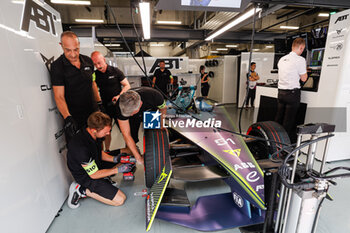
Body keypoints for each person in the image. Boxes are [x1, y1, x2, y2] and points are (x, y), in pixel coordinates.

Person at [66, 112, 134, 209]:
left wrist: (115, 159)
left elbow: (98, 152)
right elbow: (94, 174)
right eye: (106, 132)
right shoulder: (81, 148)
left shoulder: (93, 133)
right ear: (94, 130)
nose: (109, 133)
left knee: (126, 154)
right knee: (120, 200)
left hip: (95, 162)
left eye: (109, 130)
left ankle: (104, 179)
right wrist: (117, 170)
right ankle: (81, 190)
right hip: (87, 176)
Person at [51, 31, 102, 143]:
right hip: (74, 116)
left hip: (92, 113)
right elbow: (59, 96)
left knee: (97, 143)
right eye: (68, 50)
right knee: (80, 150)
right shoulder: (57, 67)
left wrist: (99, 103)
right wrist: (68, 118)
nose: (73, 54)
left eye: (76, 49)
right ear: (61, 46)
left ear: (79, 45)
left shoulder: (88, 61)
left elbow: (92, 83)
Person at [91, 51, 131, 151]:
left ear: (104, 60)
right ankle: (107, 150)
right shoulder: (95, 74)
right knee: (106, 130)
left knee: (125, 130)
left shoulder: (115, 71)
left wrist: (119, 96)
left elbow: (127, 85)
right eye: (95, 64)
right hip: (104, 107)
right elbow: (92, 87)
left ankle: (129, 150)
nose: (98, 66)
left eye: (99, 63)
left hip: (118, 105)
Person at [116, 87, 167, 165]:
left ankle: (154, 158)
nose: (130, 114)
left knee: (153, 135)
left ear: (140, 104)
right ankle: (130, 162)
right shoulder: (121, 105)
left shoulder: (155, 96)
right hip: (132, 119)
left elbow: (163, 108)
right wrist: (138, 157)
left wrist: (161, 123)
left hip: (150, 111)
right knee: (131, 137)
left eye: (131, 113)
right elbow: (126, 134)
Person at [275, 37, 308, 142]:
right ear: (301, 47)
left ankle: (274, 142)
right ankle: (283, 146)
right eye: (303, 49)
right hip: (292, 94)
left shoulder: (282, 59)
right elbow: (304, 78)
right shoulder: (300, 60)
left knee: (278, 119)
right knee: (288, 122)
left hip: (281, 93)